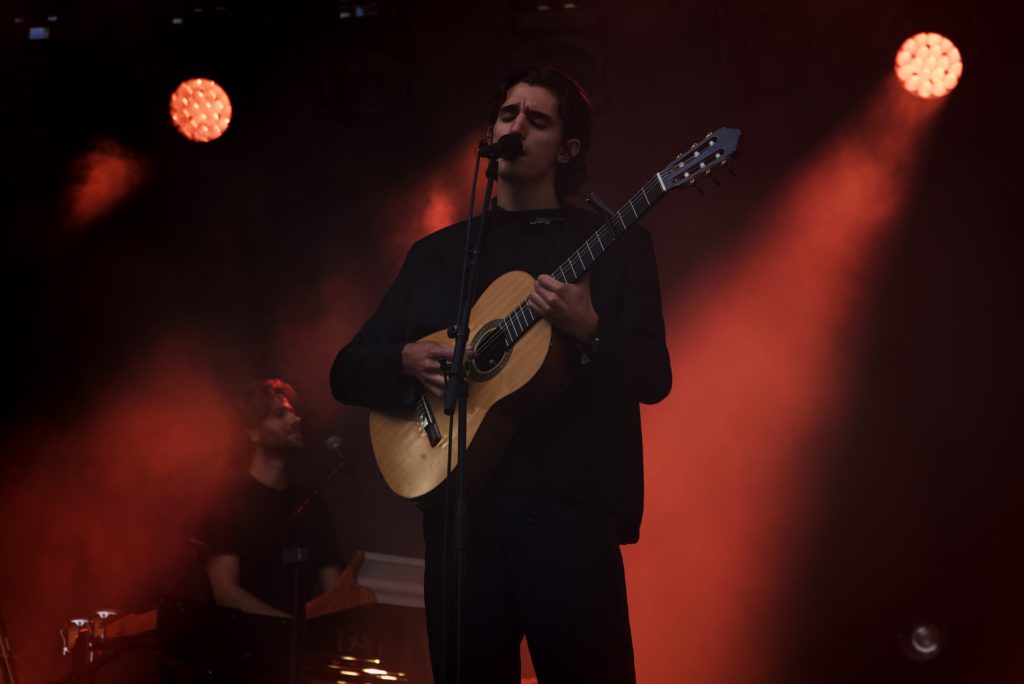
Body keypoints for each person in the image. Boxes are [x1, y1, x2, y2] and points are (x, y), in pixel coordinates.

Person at [330, 67, 671, 682]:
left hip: (571, 516)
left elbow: (654, 376)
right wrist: (404, 361)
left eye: (536, 120)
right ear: (491, 133)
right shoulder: (437, 255)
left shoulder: (614, 245)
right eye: (508, 114)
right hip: (463, 522)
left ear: (567, 150)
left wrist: (591, 328)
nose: (516, 127)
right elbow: (346, 370)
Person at [196, 378, 344, 618]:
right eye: (279, 414)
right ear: (252, 432)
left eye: (293, 413)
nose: (295, 419)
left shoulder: (313, 505)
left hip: (297, 652)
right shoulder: (227, 497)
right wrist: (292, 631)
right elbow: (225, 592)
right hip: (234, 646)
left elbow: (334, 594)